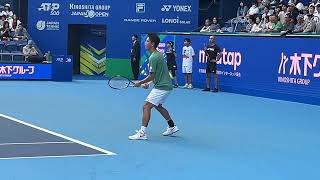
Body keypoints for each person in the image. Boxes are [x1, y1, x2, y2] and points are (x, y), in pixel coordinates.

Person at [129, 33, 178, 140]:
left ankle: (142, 133)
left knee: (146, 106)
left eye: (147, 41)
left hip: (162, 87)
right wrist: (148, 83)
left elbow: (152, 75)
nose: (145, 43)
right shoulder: (158, 55)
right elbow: (158, 73)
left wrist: (140, 82)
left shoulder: (154, 57)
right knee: (157, 105)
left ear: (152, 44)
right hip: (166, 85)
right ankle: (172, 126)